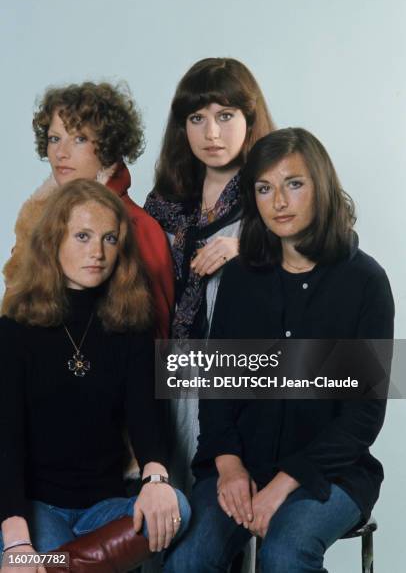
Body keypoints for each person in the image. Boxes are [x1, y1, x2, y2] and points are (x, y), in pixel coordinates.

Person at [164, 128, 394, 572]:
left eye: (294, 184)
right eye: (265, 188)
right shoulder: (243, 277)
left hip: (330, 472)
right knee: (188, 559)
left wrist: (286, 483)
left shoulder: (366, 282)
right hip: (241, 464)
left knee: (285, 555)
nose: (279, 202)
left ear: (321, 187)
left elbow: (363, 417)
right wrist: (229, 466)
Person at [0, 180, 190, 573]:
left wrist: (155, 480)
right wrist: (16, 539)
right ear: (54, 241)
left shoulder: (131, 325)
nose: (98, 253)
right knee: (37, 554)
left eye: (109, 238)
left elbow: (145, 417)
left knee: (179, 508)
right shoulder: (14, 330)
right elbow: (6, 441)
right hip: (37, 508)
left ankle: (59, 567)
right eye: (82, 236)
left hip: (104, 508)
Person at [144, 58, 275, 498]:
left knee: (223, 509)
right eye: (197, 119)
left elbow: (329, 243)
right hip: (167, 370)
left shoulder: (271, 192)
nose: (211, 134)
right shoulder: (165, 200)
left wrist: (249, 247)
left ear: (249, 119)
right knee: (164, 510)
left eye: (225, 116)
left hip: (235, 380)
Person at [3, 81, 173, 339]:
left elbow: (159, 340)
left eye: (79, 139)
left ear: (108, 146)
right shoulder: (37, 224)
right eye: (54, 139)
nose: (61, 152)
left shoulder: (137, 225)